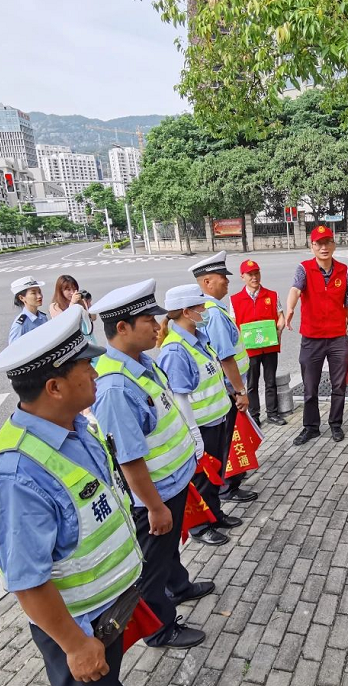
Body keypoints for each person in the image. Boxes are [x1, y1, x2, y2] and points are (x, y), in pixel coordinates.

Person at [0, 306, 165, 686]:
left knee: (106, 684)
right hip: (76, 621)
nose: (97, 371)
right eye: (86, 365)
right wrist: (75, 644)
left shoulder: (76, 425)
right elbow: (27, 579)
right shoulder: (15, 476)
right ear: (55, 387)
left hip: (105, 606)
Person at [89, 279, 213, 650]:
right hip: (153, 495)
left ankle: (180, 585)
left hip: (170, 483)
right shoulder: (115, 385)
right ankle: (160, 628)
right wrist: (154, 506)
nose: (158, 326)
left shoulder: (142, 362)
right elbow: (129, 458)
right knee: (151, 567)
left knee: (168, 550)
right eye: (148, 319)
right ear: (122, 327)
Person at [156, 284, 239, 547]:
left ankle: (215, 515)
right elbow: (179, 397)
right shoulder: (176, 349)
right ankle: (201, 527)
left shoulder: (199, 338)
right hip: (200, 426)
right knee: (202, 478)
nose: (204, 311)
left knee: (214, 475)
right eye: (199, 307)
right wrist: (192, 432)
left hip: (217, 419)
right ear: (185, 312)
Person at [189, 251, 258, 503]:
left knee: (229, 437)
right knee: (229, 438)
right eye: (222, 277)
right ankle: (228, 486)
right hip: (230, 389)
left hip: (226, 388)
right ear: (207, 282)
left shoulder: (209, 309)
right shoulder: (214, 313)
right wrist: (240, 391)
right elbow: (225, 357)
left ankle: (228, 483)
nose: (227, 281)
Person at [286, 225, 348, 445]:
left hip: (338, 338)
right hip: (312, 339)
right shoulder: (304, 268)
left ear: (334, 245)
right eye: (318, 243)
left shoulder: (344, 271)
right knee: (310, 387)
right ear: (312, 247)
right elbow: (295, 290)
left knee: (339, 385)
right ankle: (311, 427)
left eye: (327, 242)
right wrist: (290, 308)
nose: (323, 247)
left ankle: (335, 424)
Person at [230, 259, 287, 427]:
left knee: (271, 381)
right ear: (242, 277)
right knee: (252, 383)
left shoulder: (272, 295)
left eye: (257, 273)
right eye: (250, 274)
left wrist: (279, 328)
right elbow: (233, 324)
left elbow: (281, 316)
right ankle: (254, 415)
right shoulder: (235, 300)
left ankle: (272, 414)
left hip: (269, 346)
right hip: (250, 350)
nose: (254, 277)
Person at [8, 276, 47, 343]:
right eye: (33, 293)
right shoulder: (20, 325)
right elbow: (13, 350)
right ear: (22, 298)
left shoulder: (43, 317)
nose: (39, 296)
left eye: (39, 292)